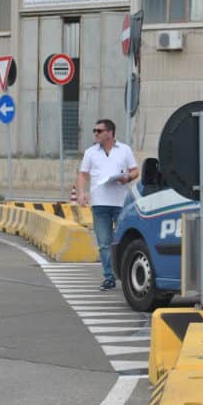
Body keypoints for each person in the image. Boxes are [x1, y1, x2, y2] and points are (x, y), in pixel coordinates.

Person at [77, 119, 139, 291]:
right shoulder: (90, 152)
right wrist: (82, 193)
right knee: (104, 243)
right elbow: (83, 174)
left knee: (123, 241)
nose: (95, 133)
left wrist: (127, 178)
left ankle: (126, 276)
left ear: (110, 133)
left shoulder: (124, 150)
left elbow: (135, 171)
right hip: (99, 204)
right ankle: (109, 277)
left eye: (99, 130)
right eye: (94, 130)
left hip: (121, 203)